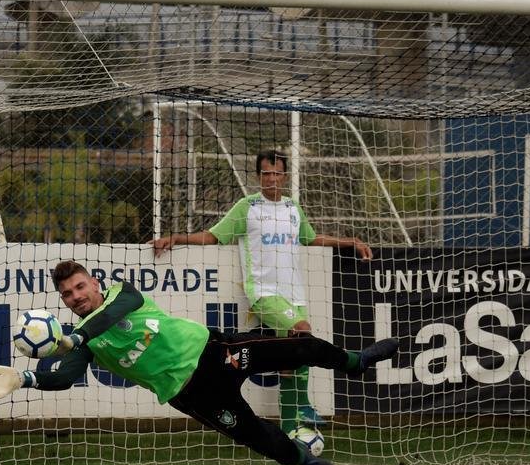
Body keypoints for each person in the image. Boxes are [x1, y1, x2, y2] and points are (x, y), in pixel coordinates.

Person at [0, 260, 398, 465]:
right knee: (259, 437)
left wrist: (72, 340)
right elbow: (64, 377)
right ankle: (304, 458)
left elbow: (107, 319)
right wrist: (24, 378)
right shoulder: (84, 341)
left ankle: (356, 363)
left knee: (298, 346)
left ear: (95, 284)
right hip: (192, 393)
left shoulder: (122, 295)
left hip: (215, 353)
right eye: (67, 295)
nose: (74, 297)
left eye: (80, 288)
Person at [150, 149, 373, 432]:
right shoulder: (248, 207)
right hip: (263, 292)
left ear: (285, 176)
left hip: (294, 293)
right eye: (266, 173)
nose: (271, 179)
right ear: (258, 176)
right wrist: (175, 238)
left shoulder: (292, 208)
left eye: (277, 173)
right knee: (303, 331)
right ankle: (302, 406)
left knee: (296, 353)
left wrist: (349, 241)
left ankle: (292, 427)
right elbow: (213, 236)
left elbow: (311, 238)